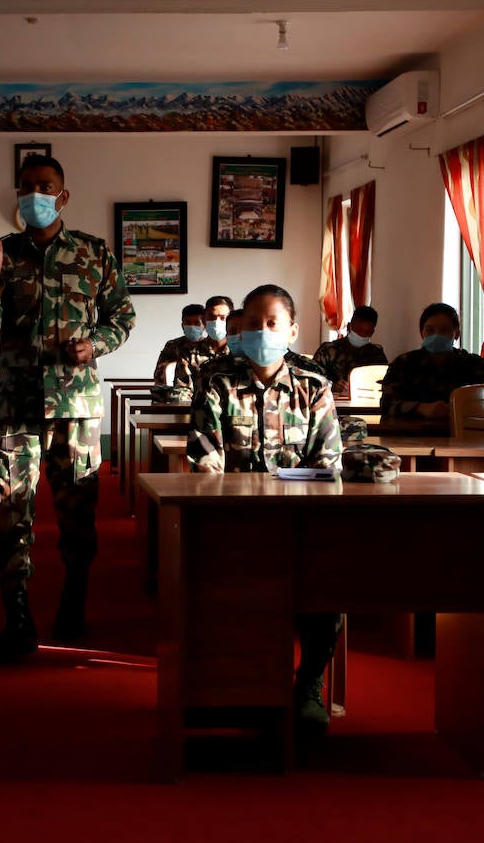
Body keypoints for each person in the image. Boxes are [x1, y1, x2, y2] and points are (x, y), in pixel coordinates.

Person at [0, 153, 136, 663]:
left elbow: (123, 315)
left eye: (45, 186)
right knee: (11, 513)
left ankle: (74, 600)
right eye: (26, 187)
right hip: (15, 406)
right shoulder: (0, 252)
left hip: (75, 408)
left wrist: (96, 344)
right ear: (17, 195)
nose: (34, 195)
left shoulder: (92, 253)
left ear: (63, 195)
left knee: (78, 514)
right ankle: (17, 619)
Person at [186, 284, 343, 736]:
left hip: (302, 525)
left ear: (292, 331)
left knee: (327, 587)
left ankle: (309, 681)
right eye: (252, 323)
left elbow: (329, 466)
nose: (261, 331)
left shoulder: (314, 388)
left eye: (272, 323)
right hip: (232, 524)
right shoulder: (217, 385)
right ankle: (237, 681)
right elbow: (205, 456)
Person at [380, 302, 484, 425]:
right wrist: (421, 408)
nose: (437, 335)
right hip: (414, 436)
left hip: (466, 435)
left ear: (456, 334)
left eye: (445, 330)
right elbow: (387, 404)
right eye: (430, 330)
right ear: (421, 333)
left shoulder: (475, 365)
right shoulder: (404, 363)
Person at [165, 294, 234, 404]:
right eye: (211, 317)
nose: (216, 322)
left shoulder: (239, 351)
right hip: (200, 412)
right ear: (205, 320)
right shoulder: (189, 353)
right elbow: (183, 389)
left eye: (222, 318)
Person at [312, 305, 388, 396]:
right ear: (349, 327)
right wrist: (332, 386)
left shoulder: (376, 354)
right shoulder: (328, 351)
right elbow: (311, 379)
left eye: (367, 332)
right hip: (334, 404)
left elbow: (386, 383)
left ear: (372, 333)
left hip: (367, 404)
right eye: (359, 331)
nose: (362, 335)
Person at [151, 303, 204, 402]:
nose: (192, 326)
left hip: (204, 393)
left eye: (196, 323)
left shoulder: (209, 346)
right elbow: (160, 373)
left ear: (204, 325)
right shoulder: (173, 346)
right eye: (188, 323)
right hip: (179, 395)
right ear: (182, 325)